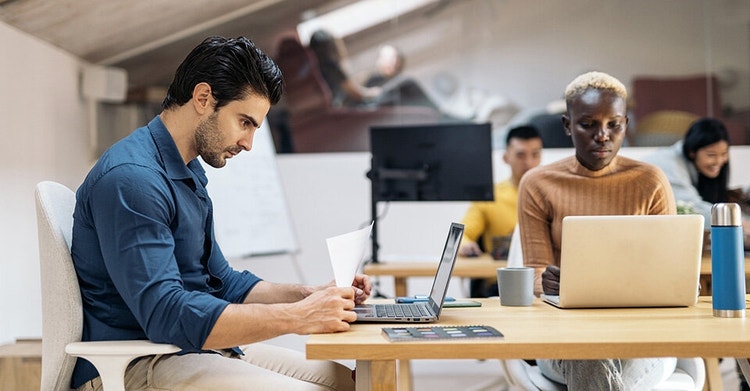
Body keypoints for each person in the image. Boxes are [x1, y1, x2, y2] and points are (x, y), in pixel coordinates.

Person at [70, 36, 370, 391]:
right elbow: (165, 314)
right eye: (244, 122)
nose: (248, 143)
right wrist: (298, 317)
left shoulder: (187, 171)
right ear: (202, 98)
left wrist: (309, 296)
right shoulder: (133, 179)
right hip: (136, 365)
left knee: (354, 382)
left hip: (190, 352)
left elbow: (222, 281)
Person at [517, 71, 678, 390]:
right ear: (567, 125)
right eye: (588, 124)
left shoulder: (650, 181)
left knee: (591, 352)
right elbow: (534, 270)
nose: (602, 135)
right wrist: (546, 281)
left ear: (626, 125)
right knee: (588, 349)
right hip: (564, 336)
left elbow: (670, 272)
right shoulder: (538, 184)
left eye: (613, 124)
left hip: (642, 336)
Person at [459, 125, 542, 296]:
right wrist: (466, 245)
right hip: (499, 286)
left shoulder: (551, 196)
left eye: (535, 154)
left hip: (543, 282)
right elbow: (463, 235)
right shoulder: (490, 197)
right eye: (520, 155)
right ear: (506, 157)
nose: (528, 162)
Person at [642, 117, 750, 240]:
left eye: (724, 154)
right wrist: (740, 222)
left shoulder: (693, 166)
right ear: (692, 152)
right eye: (711, 155)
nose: (719, 161)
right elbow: (693, 210)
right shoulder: (670, 166)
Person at [308, 29, 445, 113]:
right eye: (387, 58)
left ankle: (440, 112)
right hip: (364, 106)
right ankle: (440, 112)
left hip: (365, 104)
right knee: (407, 82)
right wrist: (374, 92)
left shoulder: (319, 67)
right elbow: (358, 94)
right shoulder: (330, 66)